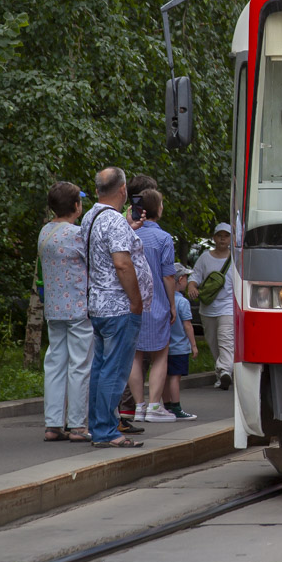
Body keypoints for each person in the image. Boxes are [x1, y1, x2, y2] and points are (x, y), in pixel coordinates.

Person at [83, 167, 145, 448]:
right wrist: (136, 300)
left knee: (100, 368)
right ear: (123, 190)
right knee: (115, 369)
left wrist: (128, 230)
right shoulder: (115, 222)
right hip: (118, 306)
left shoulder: (91, 217)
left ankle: (98, 427)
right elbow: (122, 263)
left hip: (97, 304)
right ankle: (108, 431)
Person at [40, 182, 92, 443]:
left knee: (55, 364)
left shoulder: (44, 231)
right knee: (80, 365)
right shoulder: (77, 234)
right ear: (76, 206)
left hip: (53, 308)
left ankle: (52, 424)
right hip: (78, 308)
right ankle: (78, 425)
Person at [127, 178, 179, 423]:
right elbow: (169, 276)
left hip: (132, 302)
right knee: (160, 354)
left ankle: (138, 407)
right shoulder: (164, 239)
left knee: (135, 355)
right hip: (157, 302)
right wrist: (171, 304)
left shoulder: (128, 233)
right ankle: (155, 406)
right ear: (157, 209)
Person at [190, 222, 236, 389]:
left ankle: (225, 371)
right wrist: (192, 286)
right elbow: (194, 276)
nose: (223, 238)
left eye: (226, 235)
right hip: (208, 308)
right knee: (213, 342)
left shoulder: (236, 258)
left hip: (228, 306)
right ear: (214, 238)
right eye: (219, 235)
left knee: (226, 339)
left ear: (231, 238)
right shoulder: (204, 258)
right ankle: (221, 374)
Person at [164, 264, 199, 420]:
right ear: (180, 279)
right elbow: (187, 325)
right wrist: (193, 345)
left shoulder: (163, 299)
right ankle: (176, 407)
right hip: (179, 347)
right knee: (175, 378)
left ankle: (165, 406)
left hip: (164, 346)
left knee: (164, 377)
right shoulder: (182, 302)